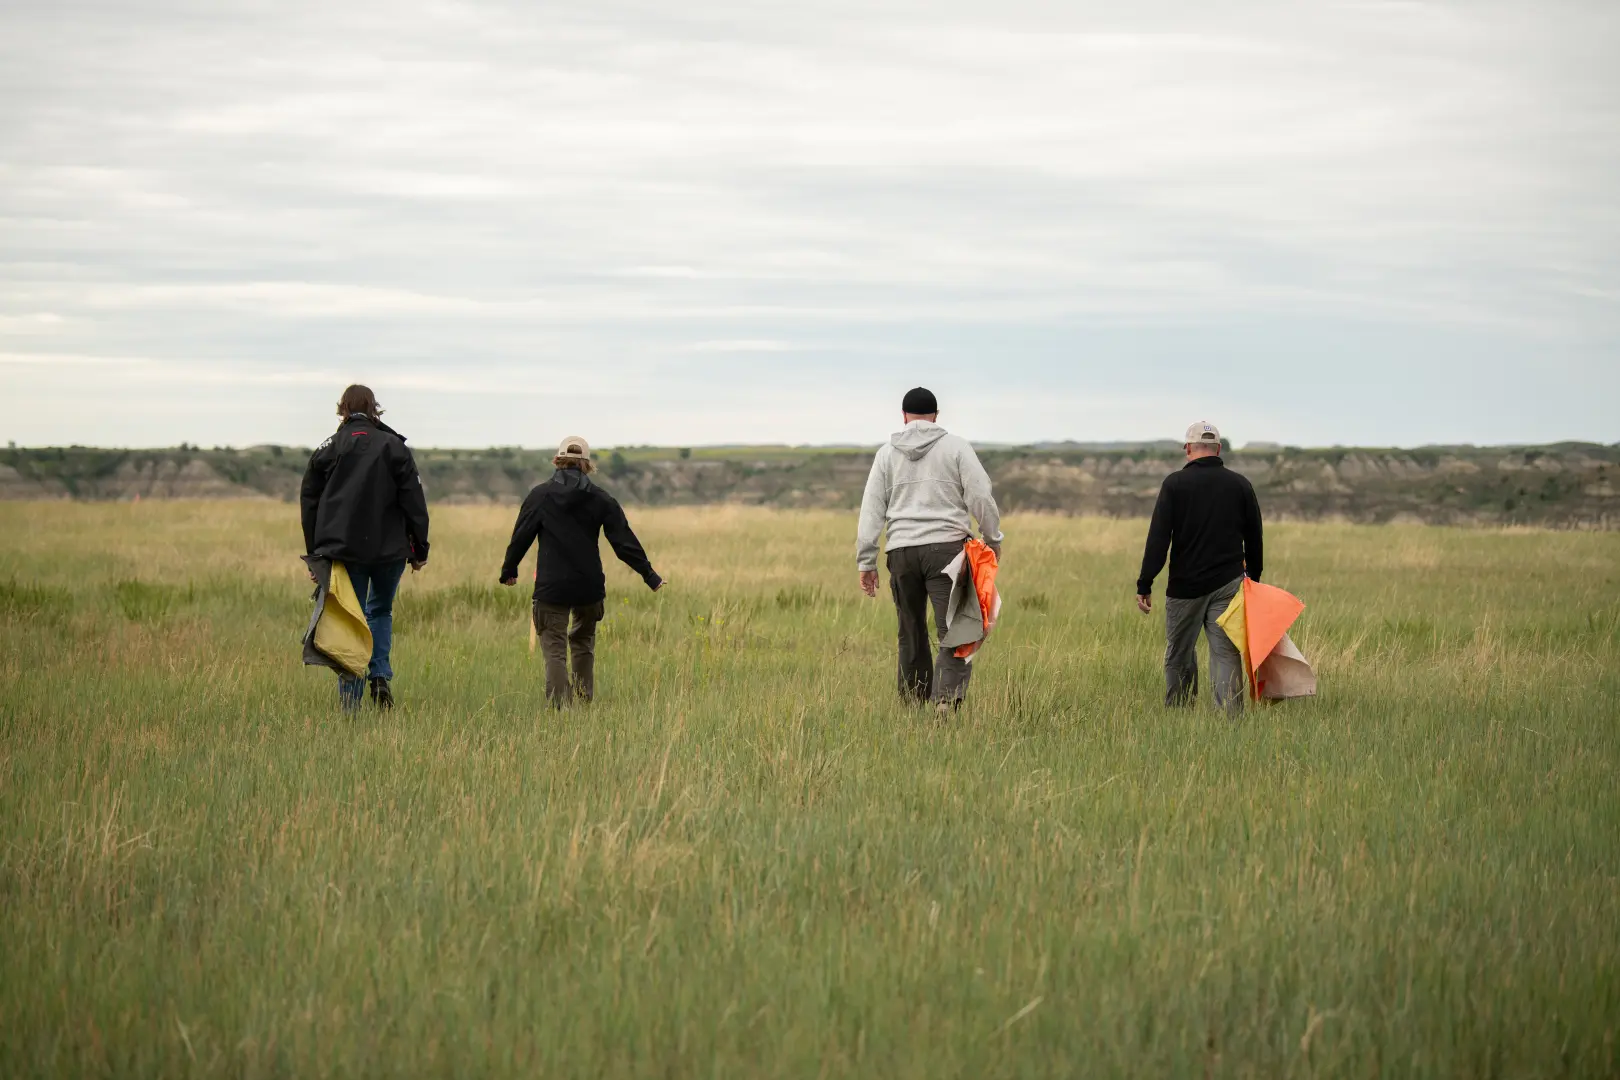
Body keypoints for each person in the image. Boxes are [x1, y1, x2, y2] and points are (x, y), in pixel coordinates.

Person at [856, 387, 1004, 711]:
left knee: (910, 632)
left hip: (901, 553)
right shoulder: (956, 447)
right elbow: (980, 494)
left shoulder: (885, 454)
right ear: (936, 416)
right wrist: (992, 539)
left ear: (904, 416)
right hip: (947, 551)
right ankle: (945, 704)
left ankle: (914, 707)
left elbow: (871, 509)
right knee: (957, 628)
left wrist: (866, 561)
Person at [500, 436, 664, 707]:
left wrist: (509, 569)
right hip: (588, 586)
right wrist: (650, 576)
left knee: (554, 648)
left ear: (557, 461)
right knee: (583, 642)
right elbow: (624, 542)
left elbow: (521, 536)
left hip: (551, 586)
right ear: (587, 465)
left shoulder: (540, 495)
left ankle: (560, 712)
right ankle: (583, 704)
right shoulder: (601, 499)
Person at [300, 385, 431, 711]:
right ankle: (380, 674)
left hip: (344, 553)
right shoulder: (394, 447)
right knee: (380, 611)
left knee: (349, 619)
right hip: (390, 552)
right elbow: (415, 502)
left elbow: (309, 504)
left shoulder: (328, 448)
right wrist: (420, 549)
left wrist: (315, 555)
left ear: (342, 408)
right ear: (375, 409)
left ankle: (350, 704)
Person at [1135, 421, 1264, 713]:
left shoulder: (1174, 484)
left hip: (1185, 587)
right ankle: (1230, 721)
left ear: (1188, 449)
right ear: (1218, 449)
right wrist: (1253, 578)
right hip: (1229, 585)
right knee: (1226, 655)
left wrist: (1145, 582)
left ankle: (1179, 715)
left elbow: (1158, 538)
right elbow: (1255, 536)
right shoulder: (1240, 484)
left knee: (1179, 654)